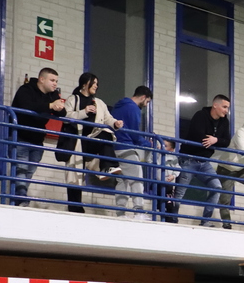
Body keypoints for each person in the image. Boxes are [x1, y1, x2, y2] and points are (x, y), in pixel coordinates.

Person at [61, 72, 123, 212]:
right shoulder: (73, 99)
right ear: (84, 84)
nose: (96, 86)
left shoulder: (99, 103)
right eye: (93, 83)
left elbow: (108, 118)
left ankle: (107, 167)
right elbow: (66, 116)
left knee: (106, 134)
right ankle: (75, 208)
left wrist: (115, 123)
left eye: (97, 84)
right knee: (75, 177)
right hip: (77, 142)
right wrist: (84, 111)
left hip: (91, 140)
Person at [9, 68, 65, 206]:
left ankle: (19, 198)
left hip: (38, 138)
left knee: (30, 171)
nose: (55, 84)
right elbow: (28, 106)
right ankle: (21, 198)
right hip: (20, 135)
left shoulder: (53, 94)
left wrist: (57, 107)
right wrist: (50, 106)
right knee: (21, 168)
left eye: (56, 81)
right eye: (52, 80)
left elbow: (62, 113)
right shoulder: (26, 89)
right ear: (42, 79)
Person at [176, 94, 230, 226]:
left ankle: (205, 221)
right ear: (215, 105)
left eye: (228, 108)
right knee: (180, 191)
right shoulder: (200, 115)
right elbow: (198, 135)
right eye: (224, 107)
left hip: (204, 162)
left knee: (217, 187)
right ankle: (172, 218)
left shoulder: (224, 122)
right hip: (189, 159)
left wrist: (215, 140)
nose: (226, 111)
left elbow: (226, 141)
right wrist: (215, 140)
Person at [110, 87, 154, 218]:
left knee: (122, 181)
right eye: (147, 102)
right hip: (126, 147)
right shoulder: (134, 108)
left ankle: (120, 213)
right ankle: (138, 211)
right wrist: (149, 144)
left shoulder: (118, 106)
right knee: (137, 179)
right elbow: (135, 134)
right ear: (143, 97)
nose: (146, 105)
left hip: (114, 147)